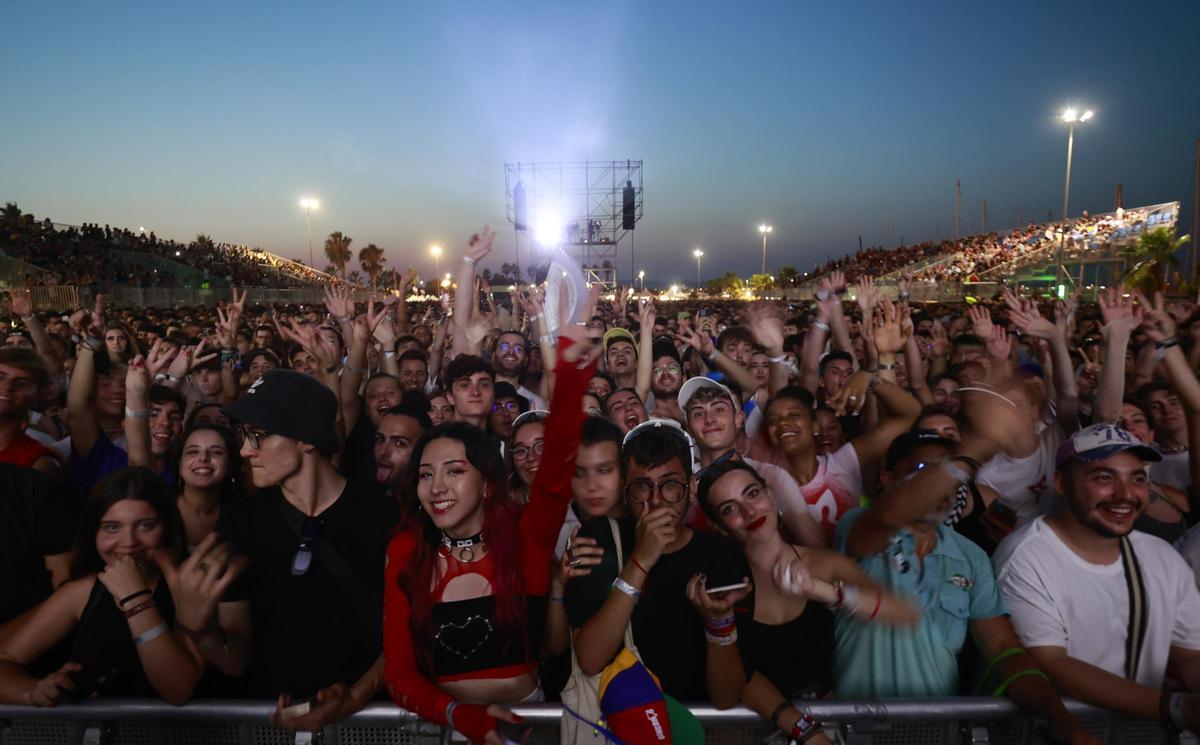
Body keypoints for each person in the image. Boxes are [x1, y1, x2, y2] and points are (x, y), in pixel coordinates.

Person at [833, 386, 1097, 744]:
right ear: (887, 478)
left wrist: (1059, 716)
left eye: (950, 476)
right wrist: (971, 452)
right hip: (856, 732)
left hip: (936, 732)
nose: (942, 484)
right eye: (925, 470)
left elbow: (1003, 650)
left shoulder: (970, 555)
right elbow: (885, 518)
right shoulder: (859, 526)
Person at [382, 328, 595, 745]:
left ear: (487, 484)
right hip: (451, 728)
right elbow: (398, 673)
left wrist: (569, 369)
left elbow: (556, 468)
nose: (436, 487)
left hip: (532, 726)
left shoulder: (523, 538)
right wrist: (462, 718)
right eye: (426, 474)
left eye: (454, 471)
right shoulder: (406, 549)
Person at [214, 370, 402, 730]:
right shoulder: (239, 522)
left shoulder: (385, 518)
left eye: (259, 435)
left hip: (370, 725)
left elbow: (410, 634)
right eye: (243, 435)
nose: (244, 449)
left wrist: (356, 696)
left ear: (308, 439)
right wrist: (198, 631)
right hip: (273, 723)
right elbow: (236, 658)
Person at [993, 423, 1200, 732]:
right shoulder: (1026, 557)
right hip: (1050, 734)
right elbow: (1049, 662)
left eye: (1137, 478)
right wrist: (1174, 707)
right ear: (1061, 484)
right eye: (1104, 477)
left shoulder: (1162, 557)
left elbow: (1190, 653)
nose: (1125, 494)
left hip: (1138, 734)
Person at [695, 460, 917, 744]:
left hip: (828, 725)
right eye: (729, 509)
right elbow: (731, 689)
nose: (749, 511)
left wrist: (825, 592)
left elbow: (905, 613)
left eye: (752, 493)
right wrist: (803, 729)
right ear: (719, 526)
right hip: (755, 734)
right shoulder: (723, 585)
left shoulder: (822, 564)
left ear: (770, 493)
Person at [0, 467, 226, 705]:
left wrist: (136, 598)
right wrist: (33, 691)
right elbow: (5, 660)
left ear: (168, 528)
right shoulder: (83, 590)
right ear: (94, 532)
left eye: (146, 526)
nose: (128, 542)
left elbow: (178, 689)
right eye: (112, 527)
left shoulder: (192, 584)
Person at [569, 421, 750, 707]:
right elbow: (590, 659)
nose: (656, 501)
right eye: (642, 487)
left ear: (690, 487)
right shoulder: (599, 539)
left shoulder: (719, 553)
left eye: (670, 485)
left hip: (695, 728)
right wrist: (640, 560)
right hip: (619, 727)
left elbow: (727, 698)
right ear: (626, 492)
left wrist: (719, 621)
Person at [764, 374, 920, 538]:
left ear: (814, 426)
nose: (782, 423)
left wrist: (870, 380)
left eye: (794, 415)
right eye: (773, 420)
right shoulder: (766, 485)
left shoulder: (843, 463)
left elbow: (909, 413)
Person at [679, 376, 824, 547]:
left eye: (719, 409)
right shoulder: (683, 487)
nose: (709, 419)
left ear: (739, 419)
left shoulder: (770, 476)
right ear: (689, 428)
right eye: (698, 413)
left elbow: (816, 545)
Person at [0, 349, 60, 473]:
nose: (7, 386)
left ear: (37, 395)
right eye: (0, 377)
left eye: (21, 383)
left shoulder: (38, 463)